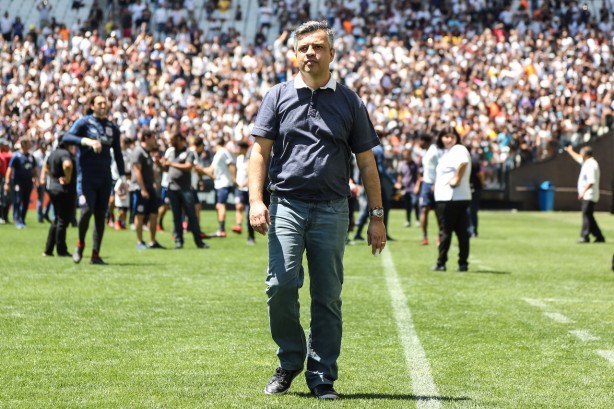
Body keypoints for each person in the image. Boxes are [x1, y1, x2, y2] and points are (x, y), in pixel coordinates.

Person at [248, 20, 386, 400]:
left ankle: (322, 375)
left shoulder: (350, 101)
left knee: (327, 295)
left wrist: (376, 218)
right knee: (280, 285)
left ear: (332, 53)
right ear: (295, 54)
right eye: (304, 47)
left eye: (318, 47)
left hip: (332, 209)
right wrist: (256, 200)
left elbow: (367, 164)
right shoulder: (277, 96)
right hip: (286, 205)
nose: (311, 53)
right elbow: (258, 153)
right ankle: (290, 360)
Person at [62, 94, 127, 265]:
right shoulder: (84, 122)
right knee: (86, 210)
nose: (103, 106)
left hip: (105, 177)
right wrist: (87, 142)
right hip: (86, 177)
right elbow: (66, 138)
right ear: (92, 106)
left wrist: (123, 178)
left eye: (105, 103)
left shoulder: (112, 127)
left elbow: (118, 154)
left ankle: (95, 254)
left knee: (100, 215)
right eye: (99, 103)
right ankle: (80, 244)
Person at [432, 127, 472, 272]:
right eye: (445, 136)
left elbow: (463, 163)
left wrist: (456, 179)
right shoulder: (448, 152)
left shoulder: (458, 149)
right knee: (461, 232)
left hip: (450, 198)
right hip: (457, 197)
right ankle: (463, 263)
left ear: (457, 138)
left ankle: (441, 263)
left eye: (452, 136)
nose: (448, 139)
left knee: (446, 232)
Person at [160, 132, 209, 249]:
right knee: (176, 216)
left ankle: (199, 241)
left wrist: (171, 163)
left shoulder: (188, 152)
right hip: (172, 188)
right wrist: (160, 164)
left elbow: (188, 166)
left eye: (172, 139)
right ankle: (179, 240)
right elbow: (167, 169)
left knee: (192, 216)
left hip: (186, 189)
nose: (170, 142)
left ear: (180, 139)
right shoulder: (171, 152)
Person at [42, 136, 77, 257]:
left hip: (53, 188)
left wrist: (54, 178)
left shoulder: (53, 153)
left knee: (56, 219)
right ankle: (61, 250)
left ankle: (48, 249)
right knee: (63, 220)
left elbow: (46, 167)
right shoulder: (65, 154)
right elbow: (67, 165)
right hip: (64, 190)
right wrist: (67, 178)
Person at [130, 129, 164, 249]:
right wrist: (143, 189)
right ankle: (139, 241)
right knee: (139, 214)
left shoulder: (147, 153)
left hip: (150, 188)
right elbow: (137, 171)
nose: (155, 140)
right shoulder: (138, 152)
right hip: (140, 189)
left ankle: (152, 241)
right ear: (146, 138)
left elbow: (151, 170)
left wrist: (156, 181)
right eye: (153, 137)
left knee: (154, 214)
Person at [564, 145, 606, 243]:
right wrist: (570, 151)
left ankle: (585, 236)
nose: (580, 154)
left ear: (585, 154)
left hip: (589, 194)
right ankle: (599, 236)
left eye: (581, 152)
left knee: (586, 215)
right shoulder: (587, 162)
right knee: (589, 215)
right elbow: (578, 158)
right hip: (588, 194)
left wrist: (583, 192)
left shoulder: (592, 164)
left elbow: (591, 181)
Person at [4, 136, 38, 229]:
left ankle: (22, 219)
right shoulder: (16, 156)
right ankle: (17, 220)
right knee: (18, 200)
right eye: (29, 143)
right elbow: (10, 169)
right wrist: (7, 182)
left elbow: (34, 169)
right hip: (18, 183)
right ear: (24, 144)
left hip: (28, 182)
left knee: (26, 201)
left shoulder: (31, 157)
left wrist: (36, 178)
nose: (30, 145)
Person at [417, 132, 439, 246]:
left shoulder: (434, 151)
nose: (418, 143)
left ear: (423, 141)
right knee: (424, 209)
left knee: (437, 211)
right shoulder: (426, 152)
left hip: (435, 184)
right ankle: (424, 236)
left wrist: (436, 183)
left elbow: (440, 167)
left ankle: (440, 235)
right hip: (426, 183)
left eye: (419, 141)